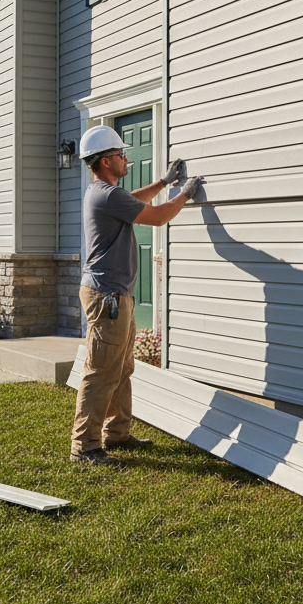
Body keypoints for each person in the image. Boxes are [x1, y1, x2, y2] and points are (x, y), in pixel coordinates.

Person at [71, 125, 202, 466]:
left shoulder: (105, 193)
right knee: (101, 370)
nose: (125, 159)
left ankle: (117, 434)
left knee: (121, 367)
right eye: (120, 155)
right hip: (107, 295)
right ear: (103, 162)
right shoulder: (106, 194)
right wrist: (185, 193)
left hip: (116, 293)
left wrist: (163, 183)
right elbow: (157, 217)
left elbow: (134, 201)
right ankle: (84, 448)